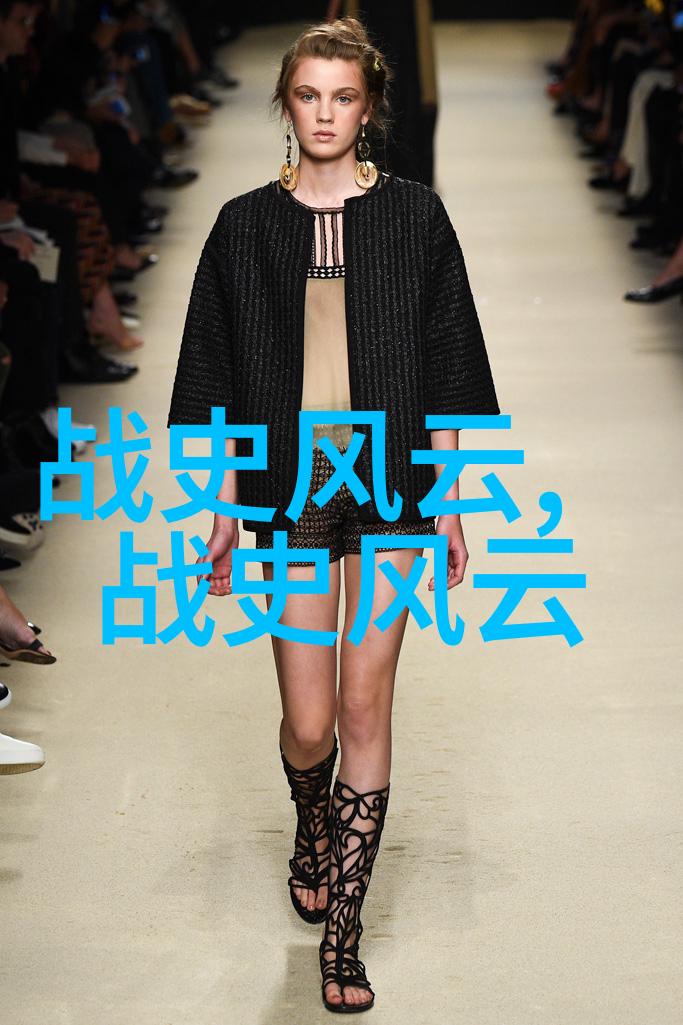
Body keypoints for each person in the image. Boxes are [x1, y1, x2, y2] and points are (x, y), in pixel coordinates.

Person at [167, 16, 501, 1014]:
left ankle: (343, 937)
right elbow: (212, 376)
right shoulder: (242, 227)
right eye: (308, 96)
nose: (323, 114)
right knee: (308, 723)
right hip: (291, 486)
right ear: (285, 103)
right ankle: (310, 819)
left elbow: (448, 361)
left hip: (392, 482)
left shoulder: (415, 217)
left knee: (363, 707)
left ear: (369, 108)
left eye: (342, 97)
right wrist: (222, 505)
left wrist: (448, 496)